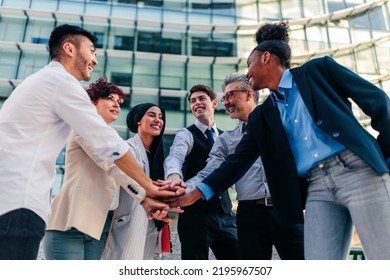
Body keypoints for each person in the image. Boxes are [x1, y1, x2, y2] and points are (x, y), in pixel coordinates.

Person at [170, 22, 390, 260]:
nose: (247, 73)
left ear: (266, 57)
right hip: (316, 188)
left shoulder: (318, 70)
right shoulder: (263, 116)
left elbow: (378, 101)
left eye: (249, 64)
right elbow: (237, 162)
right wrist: (194, 193)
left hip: (358, 171)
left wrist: (380, 158)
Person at [0, 24, 181, 260]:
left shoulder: (44, 82)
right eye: (92, 50)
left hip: (18, 202)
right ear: (69, 49)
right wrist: (149, 188)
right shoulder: (60, 81)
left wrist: (145, 197)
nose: (95, 59)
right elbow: (109, 149)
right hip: (19, 204)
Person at [185, 73, 304, 260]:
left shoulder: (283, 126)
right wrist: (183, 189)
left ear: (249, 94)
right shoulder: (226, 140)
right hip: (249, 216)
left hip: (285, 209)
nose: (226, 102)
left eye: (230, 95)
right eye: (224, 98)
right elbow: (210, 172)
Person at [164, 84, 239, 260]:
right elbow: (175, 156)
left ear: (213, 103)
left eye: (201, 99)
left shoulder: (226, 137)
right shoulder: (186, 134)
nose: (196, 103)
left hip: (225, 214)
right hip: (195, 216)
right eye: (192, 101)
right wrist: (174, 175)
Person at [102, 103, 171, 259]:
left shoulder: (159, 156)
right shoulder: (127, 149)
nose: (158, 120)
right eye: (152, 115)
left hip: (153, 225)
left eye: (160, 117)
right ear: (138, 120)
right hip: (127, 222)